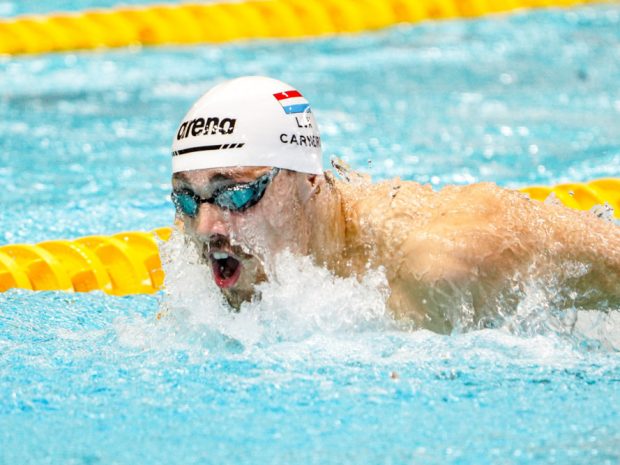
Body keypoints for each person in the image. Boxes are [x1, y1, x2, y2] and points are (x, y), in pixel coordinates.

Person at [170, 76, 620, 333]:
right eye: (188, 199)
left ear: (308, 178)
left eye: (237, 194)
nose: (206, 227)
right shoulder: (210, 247)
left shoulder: (436, 260)